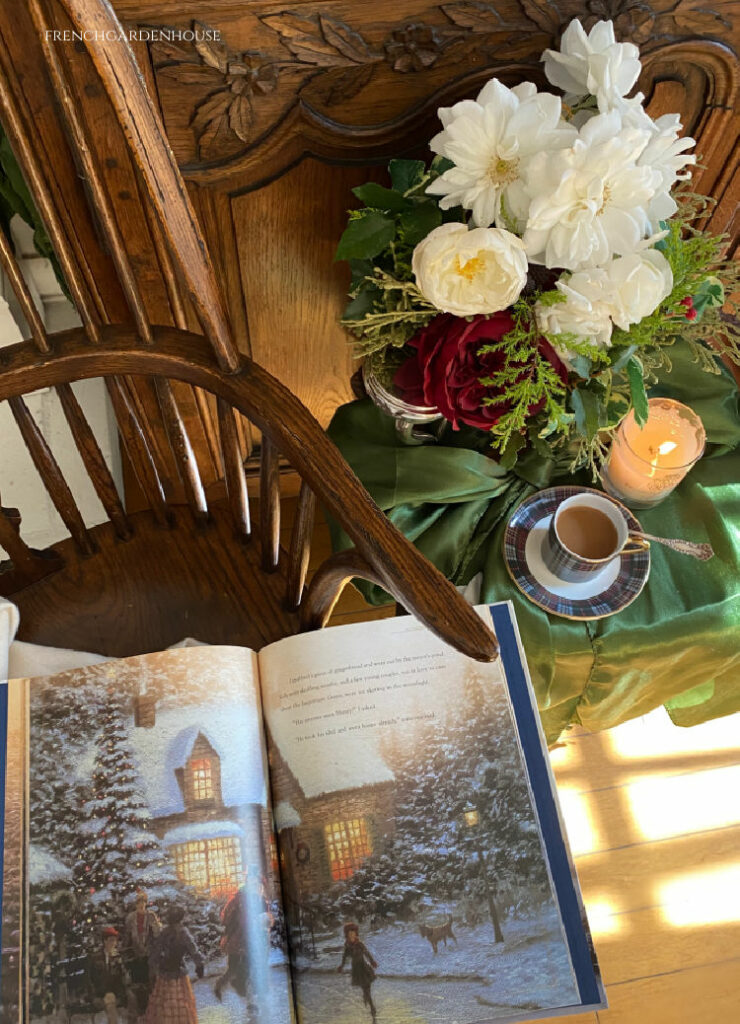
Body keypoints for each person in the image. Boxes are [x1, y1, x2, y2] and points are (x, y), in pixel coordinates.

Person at [144, 905, 203, 1024]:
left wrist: (152, 966)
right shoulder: (182, 933)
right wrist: (199, 964)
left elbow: (156, 952)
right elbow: (193, 950)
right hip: (177, 973)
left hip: (166, 973)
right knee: (181, 1003)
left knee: (165, 1002)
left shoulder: (165, 933)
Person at [88, 926, 138, 1024]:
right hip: (101, 992)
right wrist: (93, 997)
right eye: (111, 940)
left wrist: (119, 963)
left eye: (115, 941)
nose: (114, 944)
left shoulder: (117, 957)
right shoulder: (95, 958)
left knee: (132, 998)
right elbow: (89, 979)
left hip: (116, 991)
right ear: (105, 941)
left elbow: (123, 977)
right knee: (110, 1000)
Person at [124, 890, 161, 1014]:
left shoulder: (151, 916)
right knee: (138, 982)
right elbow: (127, 937)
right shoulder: (131, 918)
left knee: (150, 980)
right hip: (136, 953)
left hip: (149, 952)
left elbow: (157, 934)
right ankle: (141, 1010)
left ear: (146, 903)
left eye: (143, 902)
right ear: (135, 905)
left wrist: (155, 926)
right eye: (138, 903)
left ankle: (152, 1009)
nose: (141, 905)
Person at [337, 922, 378, 1020]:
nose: (352, 934)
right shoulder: (347, 947)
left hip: (364, 967)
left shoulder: (359, 944)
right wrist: (341, 966)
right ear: (347, 934)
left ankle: (367, 997)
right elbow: (344, 957)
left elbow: (367, 953)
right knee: (365, 988)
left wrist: (372, 961)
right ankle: (372, 1007)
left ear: (356, 933)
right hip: (356, 969)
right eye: (350, 933)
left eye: (353, 932)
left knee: (367, 987)